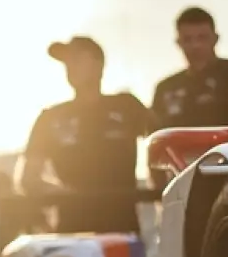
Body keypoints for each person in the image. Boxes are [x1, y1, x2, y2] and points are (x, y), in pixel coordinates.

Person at [19, 36, 156, 233]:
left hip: (122, 229)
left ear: (98, 65)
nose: (70, 66)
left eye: (77, 58)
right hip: (71, 230)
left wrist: (167, 201)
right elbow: (28, 178)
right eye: (66, 61)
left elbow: (165, 145)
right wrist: (67, 194)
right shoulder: (51, 117)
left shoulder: (127, 106)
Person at [150, 7, 228, 131]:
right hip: (178, 150)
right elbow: (155, 136)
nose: (195, 46)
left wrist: (224, 150)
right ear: (178, 43)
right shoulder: (165, 88)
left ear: (215, 39)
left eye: (202, 38)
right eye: (187, 39)